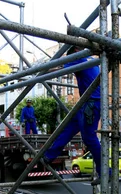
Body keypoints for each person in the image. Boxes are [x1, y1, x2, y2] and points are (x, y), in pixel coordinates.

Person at [43, 46, 103, 182]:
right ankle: (49, 155)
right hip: (87, 102)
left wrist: (42, 71)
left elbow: (58, 69)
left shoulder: (79, 58)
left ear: (75, 51)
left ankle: (105, 172)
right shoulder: (91, 59)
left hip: (91, 103)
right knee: (69, 127)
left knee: (89, 138)